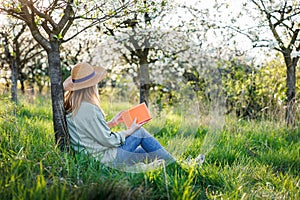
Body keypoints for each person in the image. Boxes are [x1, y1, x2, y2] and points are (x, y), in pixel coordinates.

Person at [63, 62, 175, 170]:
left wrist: (111, 123)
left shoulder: (73, 107)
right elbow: (109, 140)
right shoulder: (90, 108)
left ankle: (167, 162)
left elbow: (90, 132)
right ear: (92, 86)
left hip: (93, 158)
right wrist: (130, 131)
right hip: (105, 160)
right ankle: (175, 165)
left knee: (148, 152)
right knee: (139, 133)